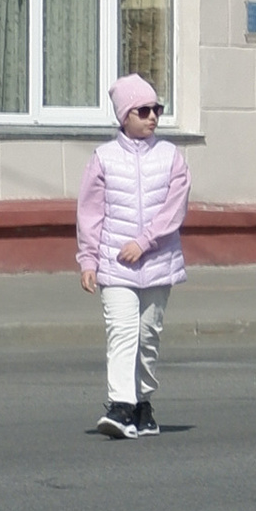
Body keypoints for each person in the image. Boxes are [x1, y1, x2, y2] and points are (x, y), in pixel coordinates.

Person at [75, 71, 190, 443]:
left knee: (148, 336)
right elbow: (90, 212)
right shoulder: (104, 158)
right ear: (124, 116)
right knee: (122, 333)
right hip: (115, 264)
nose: (152, 116)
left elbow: (175, 209)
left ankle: (143, 406)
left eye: (157, 108)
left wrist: (144, 241)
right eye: (143, 110)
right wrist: (88, 260)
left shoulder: (171, 156)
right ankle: (120, 407)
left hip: (158, 262)